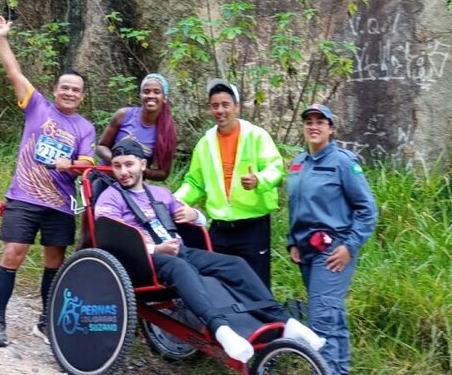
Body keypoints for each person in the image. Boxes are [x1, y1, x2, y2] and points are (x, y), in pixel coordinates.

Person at [94, 138, 324, 363]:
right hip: (141, 260)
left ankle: (285, 321)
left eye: (129, 164)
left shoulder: (160, 194)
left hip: (178, 251)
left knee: (234, 264)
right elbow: (112, 236)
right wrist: (156, 248)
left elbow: (198, 219)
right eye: (117, 166)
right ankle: (221, 329)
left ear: (143, 165)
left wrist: (194, 214)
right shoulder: (110, 197)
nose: (123, 172)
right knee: (180, 267)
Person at [0, 14, 97, 347]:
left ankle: (45, 321)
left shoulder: (85, 128)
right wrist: (1, 38)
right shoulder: (37, 106)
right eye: (65, 87)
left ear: (82, 96)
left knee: (54, 263)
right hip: (23, 197)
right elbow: (14, 72)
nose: (69, 93)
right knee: (13, 254)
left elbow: (88, 163)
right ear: (56, 90)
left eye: (76, 90)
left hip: (59, 204)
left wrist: (70, 165)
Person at [287, 103, 378, 375]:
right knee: (334, 322)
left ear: (331, 129)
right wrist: (292, 241)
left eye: (320, 122)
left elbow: (368, 210)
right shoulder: (298, 163)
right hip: (307, 252)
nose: (314, 126)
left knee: (322, 323)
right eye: (309, 121)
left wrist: (349, 247)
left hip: (333, 253)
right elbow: (295, 206)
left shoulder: (342, 163)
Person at [174, 79, 284, 287]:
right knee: (220, 285)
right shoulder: (205, 144)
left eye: (225, 105)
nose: (220, 111)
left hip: (252, 225)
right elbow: (194, 182)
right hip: (220, 228)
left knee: (256, 286)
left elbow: (275, 169)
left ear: (236, 107)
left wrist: (258, 180)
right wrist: (174, 201)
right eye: (215, 106)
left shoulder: (256, 136)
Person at [97, 73, 177, 180]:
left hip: (133, 184)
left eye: (157, 92)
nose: (151, 96)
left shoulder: (166, 131)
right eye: (146, 91)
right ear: (141, 95)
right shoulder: (124, 115)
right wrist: (118, 161)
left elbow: (163, 173)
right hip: (104, 177)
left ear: (164, 98)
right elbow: (101, 147)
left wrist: (140, 169)